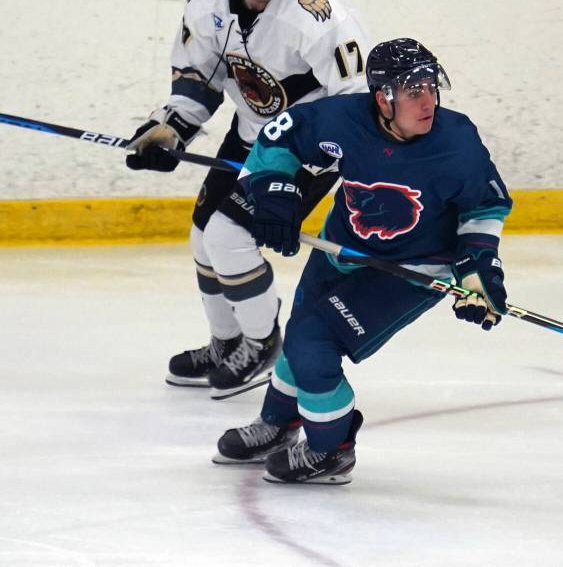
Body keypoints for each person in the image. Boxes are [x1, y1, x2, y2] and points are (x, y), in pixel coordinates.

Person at [211, 38, 513, 484]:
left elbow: (483, 208)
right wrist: (273, 189)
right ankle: (279, 425)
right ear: (382, 98)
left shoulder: (457, 141)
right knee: (300, 336)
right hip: (342, 248)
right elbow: (279, 137)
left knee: (315, 344)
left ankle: (331, 451)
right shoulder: (343, 119)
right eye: (413, 91)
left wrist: (477, 269)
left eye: (432, 87)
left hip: (412, 269)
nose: (428, 101)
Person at [124, 0, 371, 399]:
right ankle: (226, 342)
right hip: (251, 131)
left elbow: (357, 106)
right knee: (202, 236)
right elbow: (199, 77)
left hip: (306, 147)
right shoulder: (206, 0)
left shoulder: (318, 15)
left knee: (227, 235)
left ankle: (261, 344)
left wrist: (300, 178)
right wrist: (171, 130)